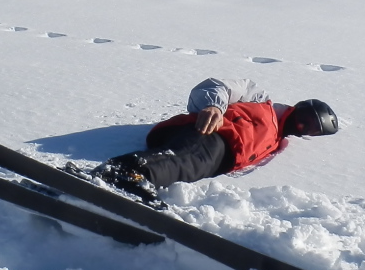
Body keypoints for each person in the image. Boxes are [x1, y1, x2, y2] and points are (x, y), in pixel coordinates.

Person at [94, 77, 338, 200]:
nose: (304, 127)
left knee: (193, 167)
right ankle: (124, 172)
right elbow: (216, 85)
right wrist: (214, 107)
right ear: (299, 107)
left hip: (218, 157)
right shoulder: (261, 100)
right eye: (306, 119)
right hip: (210, 133)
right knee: (190, 160)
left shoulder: (276, 141)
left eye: (313, 130)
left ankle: (135, 176)